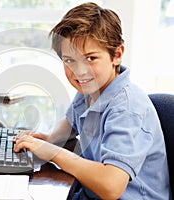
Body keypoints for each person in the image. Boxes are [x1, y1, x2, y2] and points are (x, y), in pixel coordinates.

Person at [14, 2, 170, 199]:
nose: (80, 71)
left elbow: (111, 186)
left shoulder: (127, 108)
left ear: (117, 55)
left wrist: (52, 151)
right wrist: (44, 141)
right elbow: (62, 133)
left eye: (90, 58)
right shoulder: (90, 90)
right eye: (70, 60)